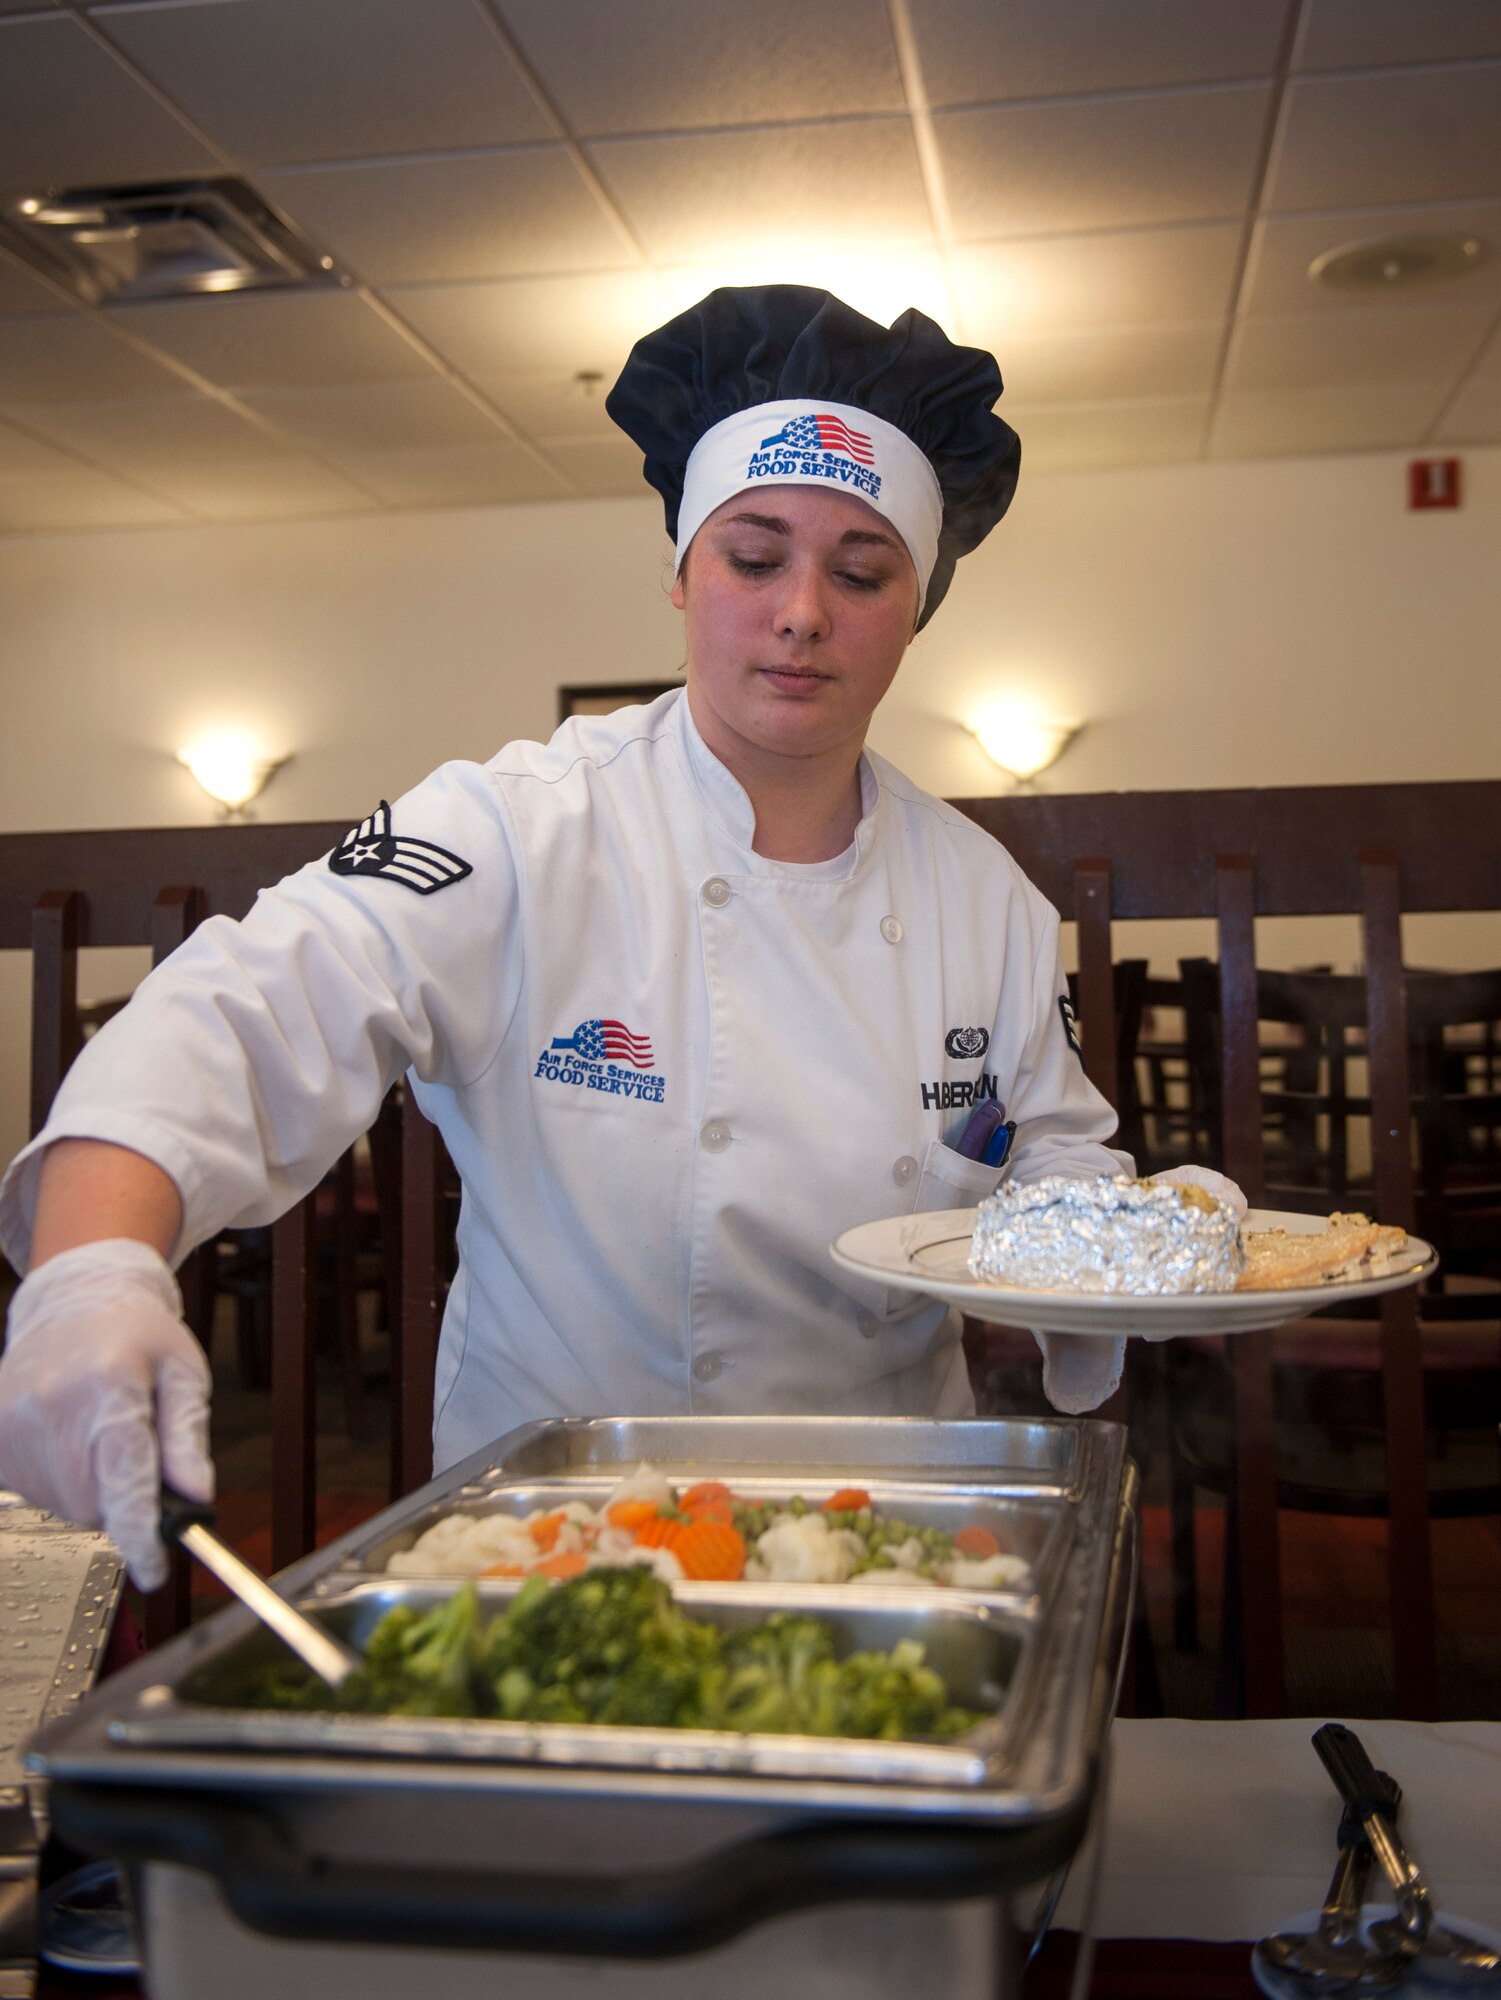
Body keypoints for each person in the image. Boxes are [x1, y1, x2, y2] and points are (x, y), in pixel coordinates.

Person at [0, 285, 1237, 1591]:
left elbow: (1049, 1153)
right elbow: (244, 1007)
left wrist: (1148, 1235)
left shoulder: (980, 897)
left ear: (915, 606)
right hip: (546, 1533)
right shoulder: (514, 827)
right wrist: (90, 1275)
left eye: (860, 571)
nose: (802, 612)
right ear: (681, 572)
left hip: (880, 1535)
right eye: (753, 558)